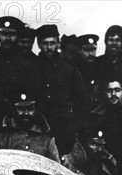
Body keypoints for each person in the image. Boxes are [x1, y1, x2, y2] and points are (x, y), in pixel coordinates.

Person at [0, 16, 40, 133]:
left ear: (17, 36)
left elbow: (33, 96)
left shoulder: (26, 66)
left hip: (14, 124)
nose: (8, 38)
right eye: (4, 34)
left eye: (12, 34)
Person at [35, 24, 90, 156]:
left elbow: (83, 100)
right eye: (45, 43)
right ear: (39, 44)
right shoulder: (32, 67)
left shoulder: (69, 69)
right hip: (38, 130)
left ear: (59, 43)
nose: (49, 48)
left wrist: (74, 126)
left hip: (63, 132)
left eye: (53, 43)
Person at [0, 93, 59, 161]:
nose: (26, 113)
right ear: (14, 110)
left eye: (30, 109)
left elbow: (56, 169)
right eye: (21, 109)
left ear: (36, 111)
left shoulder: (47, 140)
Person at [75, 34, 102, 109]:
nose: (90, 53)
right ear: (80, 50)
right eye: (86, 50)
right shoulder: (75, 68)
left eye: (93, 49)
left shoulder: (101, 65)